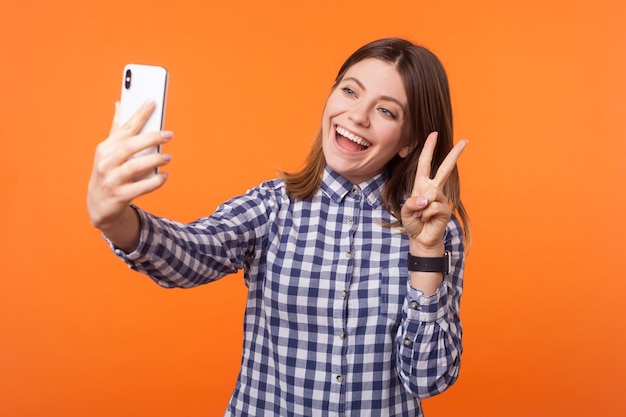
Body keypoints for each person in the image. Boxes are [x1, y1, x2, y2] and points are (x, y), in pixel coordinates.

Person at [87, 37, 470, 417]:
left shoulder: (436, 232)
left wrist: (424, 252)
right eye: (350, 91)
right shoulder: (272, 206)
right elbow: (193, 251)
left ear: (408, 141)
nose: (357, 116)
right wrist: (116, 219)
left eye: (386, 111)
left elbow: (428, 378)